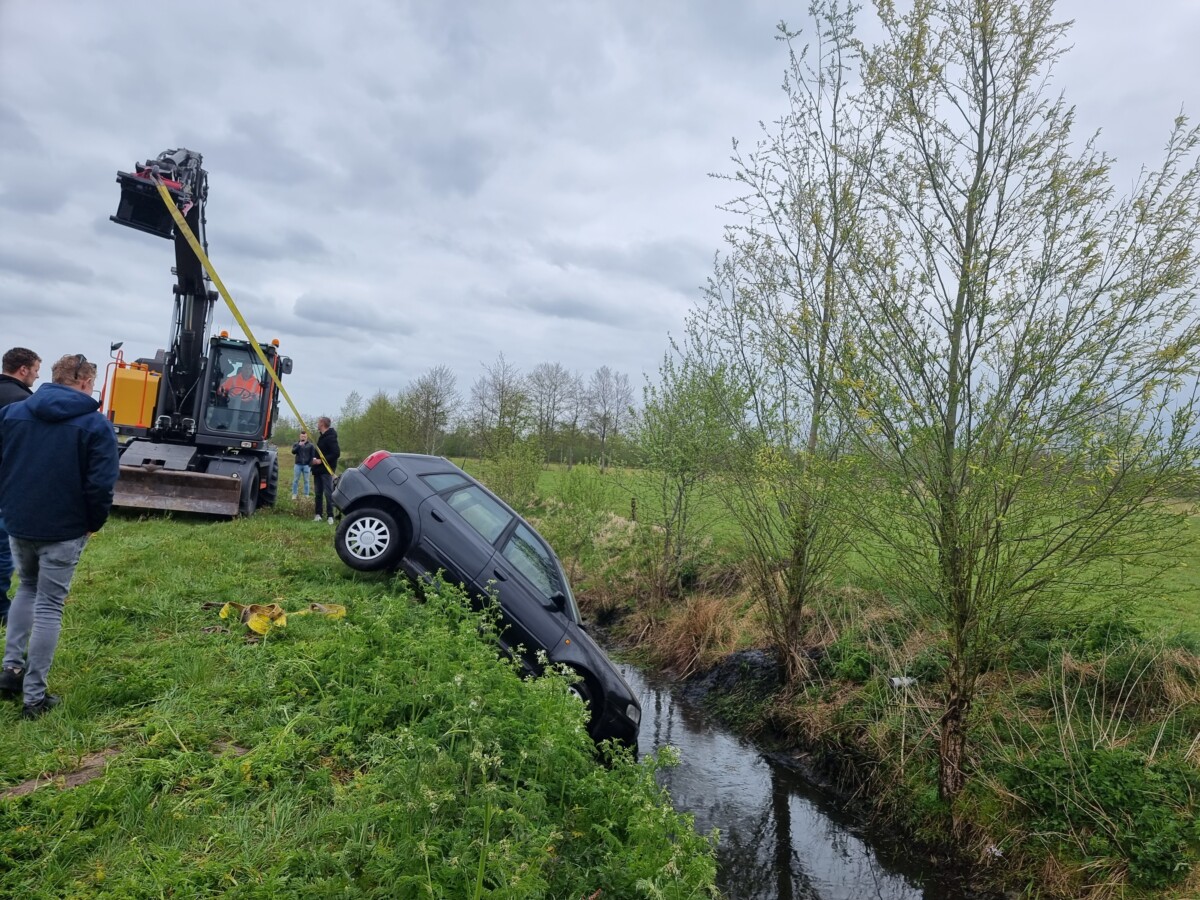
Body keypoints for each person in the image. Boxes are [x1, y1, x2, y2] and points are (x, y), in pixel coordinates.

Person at [0, 354, 119, 719]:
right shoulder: (95, 424)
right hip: (64, 529)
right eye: (92, 381)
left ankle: (11, 670)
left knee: (26, 588)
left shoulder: (13, 414)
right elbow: (100, 485)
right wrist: (93, 522)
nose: (93, 387)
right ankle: (34, 699)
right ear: (82, 380)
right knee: (50, 605)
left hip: (19, 522)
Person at [0, 347, 41, 625]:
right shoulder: (21, 402)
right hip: (5, 485)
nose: (37, 376)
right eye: (36, 370)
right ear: (23, 369)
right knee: (3, 550)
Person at [311, 416, 341, 524]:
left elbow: (336, 453)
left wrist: (321, 461)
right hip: (318, 470)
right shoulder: (322, 437)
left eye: (318, 422)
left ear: (322, 424)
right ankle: (318, 515)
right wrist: (315, 459)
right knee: (318, 493)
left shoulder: (331, 437)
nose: (317, 424)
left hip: (326, 470)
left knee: (328, 493)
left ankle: (330, 516)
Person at [291, 431, 315, 500]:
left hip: (306, 466)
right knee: (295, 480)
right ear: (300, 436)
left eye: (304, 436)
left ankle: (306, 495)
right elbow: (293, 452)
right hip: (298, 465)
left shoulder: (311, 445)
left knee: (306, 481)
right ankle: (294, 494)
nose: (303, 437)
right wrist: (299, 445)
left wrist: (310, 465)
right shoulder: (296, 444)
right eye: (302, 436)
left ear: (306, 437)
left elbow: (313, 456)